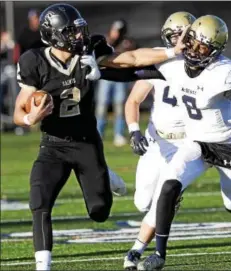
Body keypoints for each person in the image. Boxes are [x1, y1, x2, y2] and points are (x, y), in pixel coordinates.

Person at [13, 3, 185, 270]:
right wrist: (29, 118)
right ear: (53, 34)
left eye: (79, 30)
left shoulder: (89, 51)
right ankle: (42, 266)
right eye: (70, 32)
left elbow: (132, 59)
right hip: (53, 145)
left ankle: (105, 173)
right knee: (39, 202)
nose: (78, 36)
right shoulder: (33, 61)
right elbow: (18, 109)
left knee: (99, 212)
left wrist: (172, 52)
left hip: (86, 143)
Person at [130, 15, 231, 270]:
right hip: (195, 142)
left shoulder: (223, 71)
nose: (195, 51)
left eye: (203, 47)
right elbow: (135, 70)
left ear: (215, 50)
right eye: (193, 43)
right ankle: (159, 255)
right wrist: (99, 70)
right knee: (169, 185)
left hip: (227, 145)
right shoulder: (174, 64)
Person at [122, 11, 198, 270]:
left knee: (160, 200)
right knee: (141, 202)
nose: (177, 40)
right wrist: (134, 130)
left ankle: (136, 249)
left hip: (186, 145)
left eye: (182, 34)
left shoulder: (204, 63)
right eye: (174, 35)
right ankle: (170, 203)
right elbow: (133, 100)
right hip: (157, 140)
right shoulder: (159, 59)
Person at [96, 19, 137, 146]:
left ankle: (118, 134)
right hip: (106, 77)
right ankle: (98, 134)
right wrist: (112, 40)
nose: (116, 33)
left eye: (119, 31)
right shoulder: (106, 41)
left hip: (120, 78)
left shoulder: (127, 42)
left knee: (119, 106)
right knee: (102, 106)